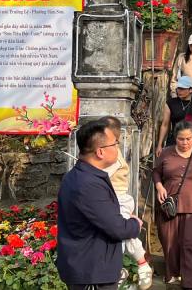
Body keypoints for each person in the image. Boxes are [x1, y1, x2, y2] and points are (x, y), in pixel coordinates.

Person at [56, 120, 142, 290]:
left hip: (91, 267)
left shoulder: (82, 176)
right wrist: (135, 224)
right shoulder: (89, 184)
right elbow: (117, 228)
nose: (118, 147)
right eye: (115, 143)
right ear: (100, 152)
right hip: (91, 272)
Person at [154, 121, 192, 290]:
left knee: (190, 244)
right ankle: (172, 273)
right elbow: (156, 172)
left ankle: (189, 283)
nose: (185, 142)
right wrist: (159, 185)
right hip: (168, 205)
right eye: (181, 139)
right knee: (169, 242)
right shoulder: (166, 153)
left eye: (188, 138)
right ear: (175, 138)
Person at [100, 117, 153, 290]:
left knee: (121, 233)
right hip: (109, 201)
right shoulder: (107, 154)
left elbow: (99, 174)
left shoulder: (113, 157)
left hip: (120, 201)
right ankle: (125, 268)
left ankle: (140, 264)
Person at [157, 76, 192, 156]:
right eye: (178, 88)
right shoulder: (171, 103)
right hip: (174, 139)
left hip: (190, 139)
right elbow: (165, 125)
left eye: (182, 89)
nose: (179, 91)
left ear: (190, 89)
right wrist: (159, 145)